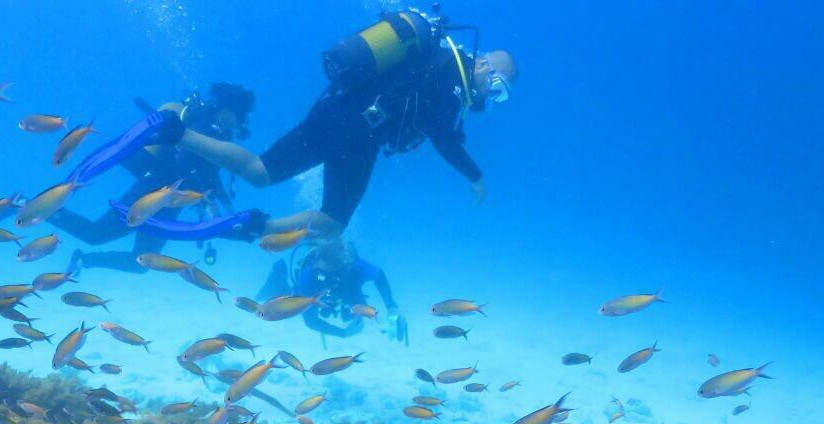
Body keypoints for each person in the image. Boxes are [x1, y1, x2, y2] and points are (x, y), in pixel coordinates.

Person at [152, 13, 516, 240]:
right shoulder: (453, 78)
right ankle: (255, 228)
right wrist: (476, 177)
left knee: (261, 172)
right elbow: (444, 139)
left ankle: (177, 132)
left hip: (334, 106)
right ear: (483, 65)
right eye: (497, 88)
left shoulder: (436, 58)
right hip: (359, 136)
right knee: (332, 222)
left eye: (500, 97)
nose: (490, 97)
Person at [52, 82, 256, 274]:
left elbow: (210, 173)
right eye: (241, 116)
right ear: (227, 111)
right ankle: (38, 207)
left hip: (173, 202)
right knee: (95, 235)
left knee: (142, 262)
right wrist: (206, 196)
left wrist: (222, 201)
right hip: (153, 191)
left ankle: (83, 260)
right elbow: (184, 161)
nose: (242, 123)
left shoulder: (222, 135)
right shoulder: (205, 127)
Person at [257, 240, 407, 344]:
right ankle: (278, 273)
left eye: (334, 272)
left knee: (361, 311)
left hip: (349, 291)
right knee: (282, 296)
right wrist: (342, 333)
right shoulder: (309, 275)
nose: (330, 277)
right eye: (324, 271)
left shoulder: (355, 266)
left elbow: (379, 276)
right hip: (315, 294)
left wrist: (391, 305)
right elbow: (310, 320)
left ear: (345, 265)